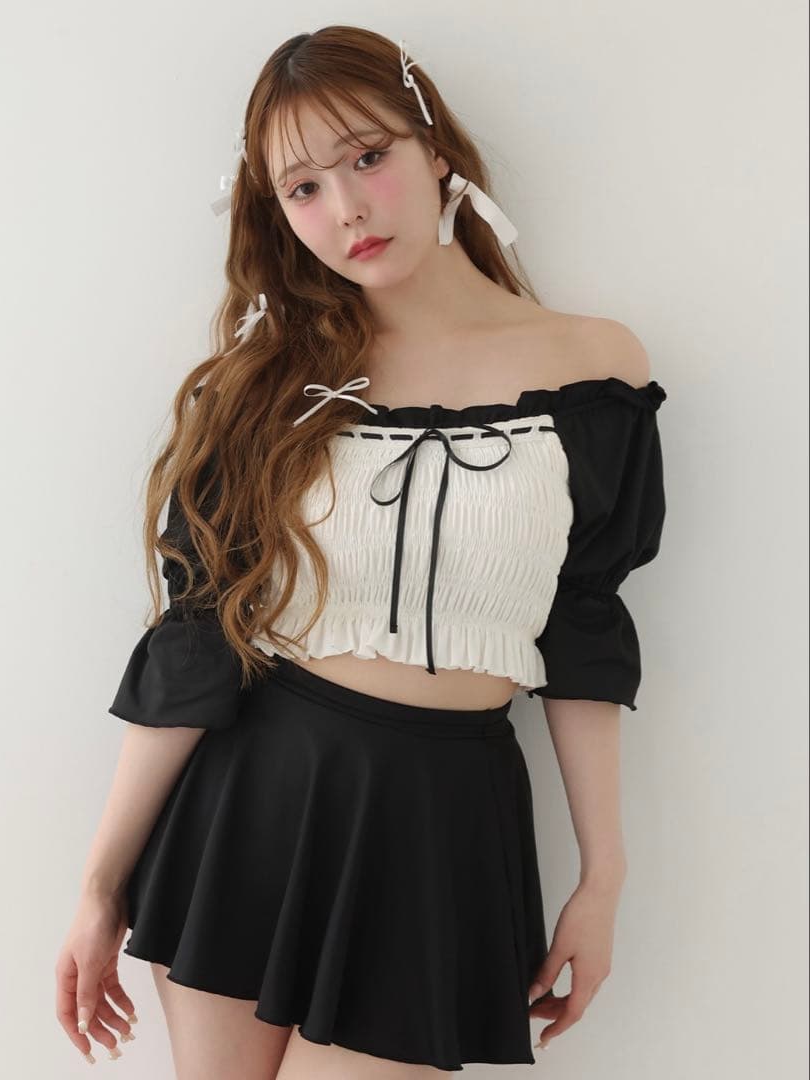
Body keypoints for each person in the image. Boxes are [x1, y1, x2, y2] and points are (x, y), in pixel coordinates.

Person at [55, 25, 667, 1079]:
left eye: (368, 157)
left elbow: (582, 626)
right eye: (302, 187)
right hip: (254, 802)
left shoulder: (590, 366)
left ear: (437, 150)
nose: (345, 208)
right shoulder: (263, 383)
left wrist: (602, 877)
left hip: (442, 819)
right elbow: (196, 635)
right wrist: (98, 889)